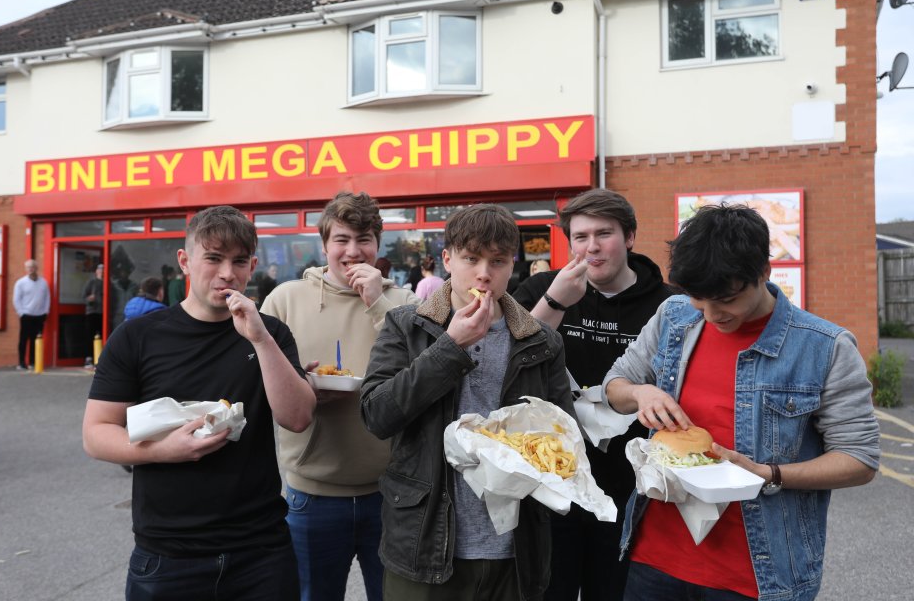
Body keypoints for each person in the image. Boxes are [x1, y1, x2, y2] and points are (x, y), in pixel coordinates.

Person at [603, 204, 880, 601]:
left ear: (764, 273)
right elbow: (616, 383)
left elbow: (859, 460)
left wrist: (765, 473)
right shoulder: (674, 316)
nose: (713, 315)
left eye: (726, 300)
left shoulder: (824, 347)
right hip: (653, 559)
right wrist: (639, 393)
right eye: (700, 301)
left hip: (757, 577)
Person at [82, 205, 316, 600]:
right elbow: (96, 433)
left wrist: (260, 339)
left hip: (261, 551)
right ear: (185, 260)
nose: (227, 273)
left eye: (239, 261)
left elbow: (297, 418)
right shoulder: (137, 337)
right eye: (213, 258)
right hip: (168, 553)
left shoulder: (269, 332)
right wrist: (164, 450)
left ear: (252, 265)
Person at [360, 203, 575, 600]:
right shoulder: (407, 325)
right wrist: (450, 346)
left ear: (513, 264)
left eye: (497, 261)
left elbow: (563, 434)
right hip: (424, 542)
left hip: (514, 546)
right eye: (471, 258)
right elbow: (377, 414)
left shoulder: (542, 341)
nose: (483, 273)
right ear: (447, 259)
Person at [513, 188, 673, 601]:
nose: (592, 247)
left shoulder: (667, 303)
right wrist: (555, 302)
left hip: (631, 484)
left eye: (605, 234)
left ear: (630, 237)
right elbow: (508, 357)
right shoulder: (542, 288)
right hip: (553, 479)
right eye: (581, 237)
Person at [260, 191, 419, 601]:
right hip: (311, 494)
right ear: (324, 244)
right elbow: (261, 382)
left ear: (378, 244)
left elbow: (425, 375)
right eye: (341, 240)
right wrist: (301, 386)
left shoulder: (404, 302)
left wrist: (377, 303)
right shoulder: (284, 299)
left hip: (391, 492)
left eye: (363, 239)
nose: (352, 251)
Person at [12, 259, 50, 370]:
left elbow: (47, 298)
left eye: (32, 267)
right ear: (26, 269)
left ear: (36, 268)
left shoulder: (43, 282)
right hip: (26, 315)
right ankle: (21, 362)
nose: (30, 269)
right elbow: (16, 299)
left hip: (40, 315)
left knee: (36, 340)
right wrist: (21, 312)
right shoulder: (21, 282)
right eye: (28, 267)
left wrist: (45, 311)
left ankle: (33, 362)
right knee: (24, 340)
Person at [82, 263, 104, 367]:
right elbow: (84, 296)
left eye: (104, 270)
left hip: (103, 313)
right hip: (92, 312)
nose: (102, 272)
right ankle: (88, 358)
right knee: (90, 336)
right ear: (96, 271)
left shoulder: (109, 283)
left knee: (102, 336)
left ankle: (100, 359)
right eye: (100, 270)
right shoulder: (91, 282)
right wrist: (89, 299)